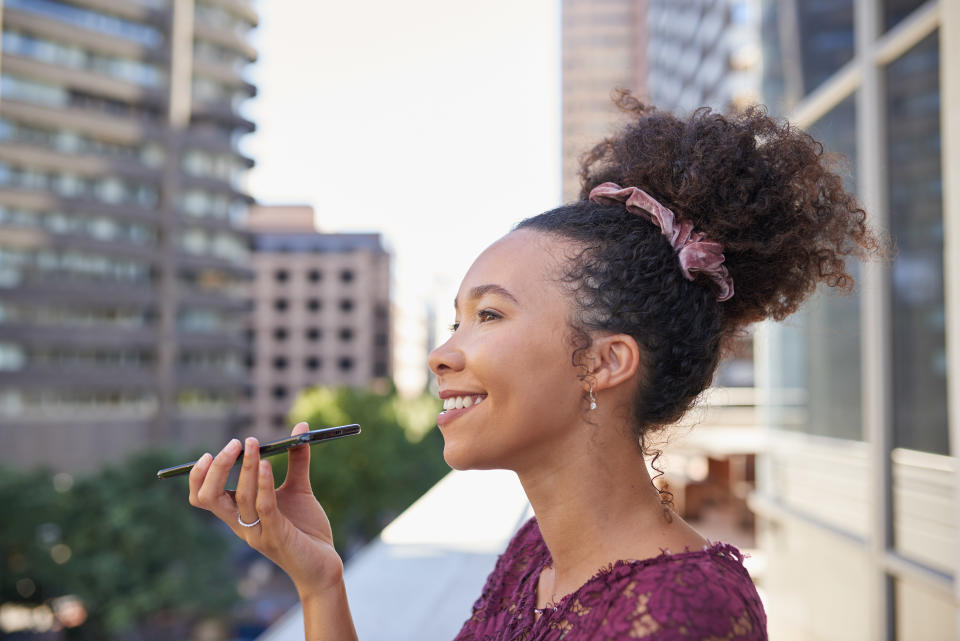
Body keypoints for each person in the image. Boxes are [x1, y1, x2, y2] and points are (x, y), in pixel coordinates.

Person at [187, 94, 882, 640]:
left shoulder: (684, 612)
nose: (441, 352)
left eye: (488, 315)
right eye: (456, 318)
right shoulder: (533, 555)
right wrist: (320, 583)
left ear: (607, 360)